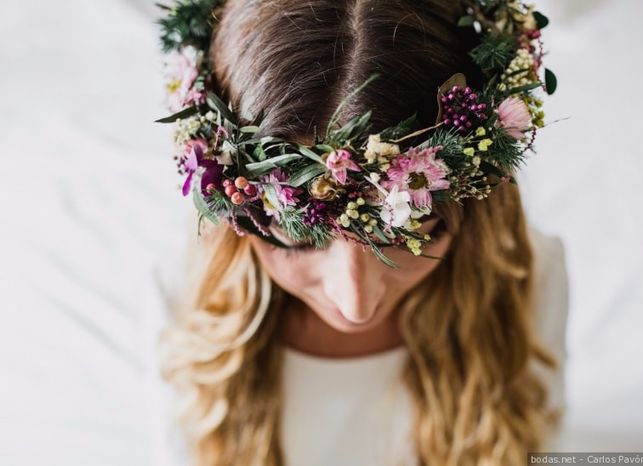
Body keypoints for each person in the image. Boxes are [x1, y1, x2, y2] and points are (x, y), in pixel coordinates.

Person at [152, 1, 570, 465]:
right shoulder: (184, 299)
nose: (356, 305)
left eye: (411, 234)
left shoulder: (527, 282)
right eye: (299, 236)